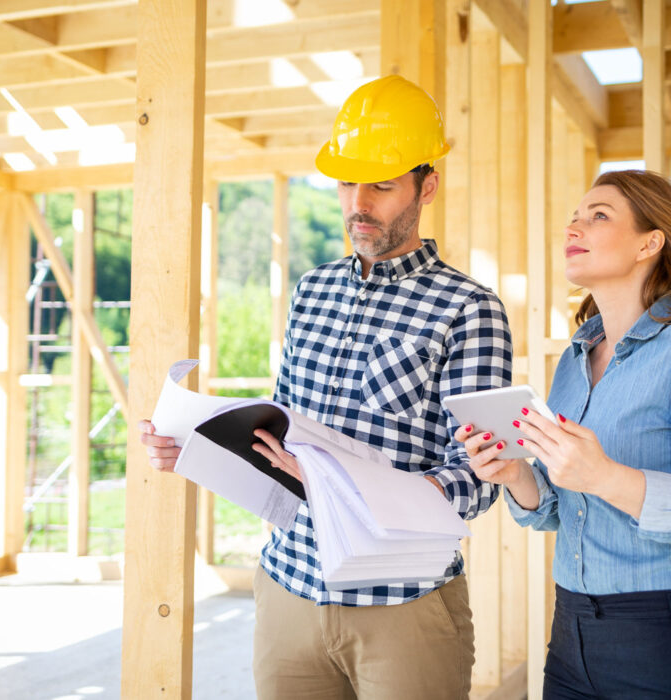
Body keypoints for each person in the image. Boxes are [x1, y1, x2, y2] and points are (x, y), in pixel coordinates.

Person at [140, 74, 513, 699]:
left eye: (381, 185)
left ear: (428, 186)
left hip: (405, 608)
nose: (357, 203)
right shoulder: (311, 291)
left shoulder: (468, 308)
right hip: (289, 588)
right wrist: (201, 451)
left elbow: (478, 480)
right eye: (346, 182)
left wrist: (355, 489)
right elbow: (283, 437)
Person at [457, 169, 671, 698]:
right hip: (572, 630)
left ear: (651, 242)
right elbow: (556, 509)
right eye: (575, 217)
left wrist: (606, 476)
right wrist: (516, 474)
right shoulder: (575, 359)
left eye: (598, 216)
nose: (575, 228)